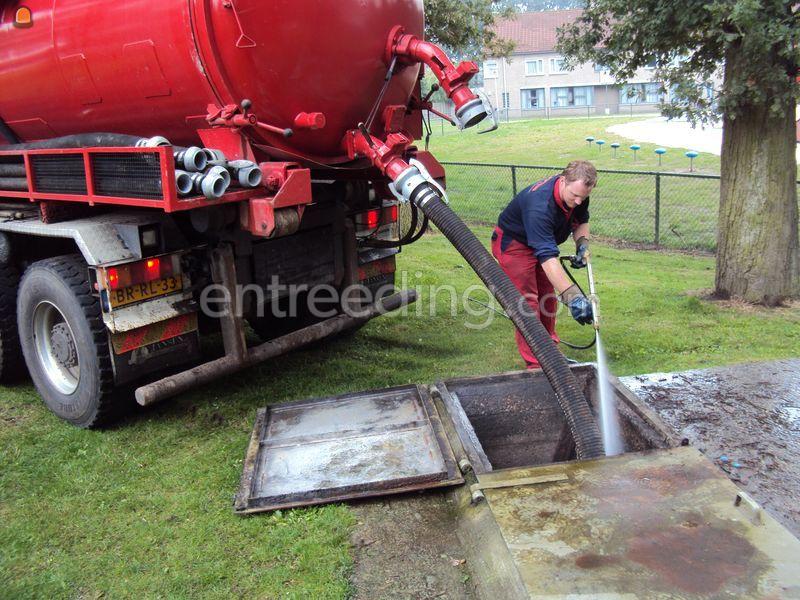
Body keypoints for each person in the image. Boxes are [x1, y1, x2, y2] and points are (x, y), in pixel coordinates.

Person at [491, 160, 596, 369]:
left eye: (582, 197)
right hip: (515, 245)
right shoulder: (540, 206)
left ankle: (550, 355)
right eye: (574, 195)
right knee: (527, 305)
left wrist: (582, 244)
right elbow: (548, 258)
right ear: (563, 180)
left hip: (540, 244)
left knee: (547, 300)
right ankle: (537, 366)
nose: (578, 201)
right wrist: (574, 297)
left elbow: (581, 221)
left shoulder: (579, 193)